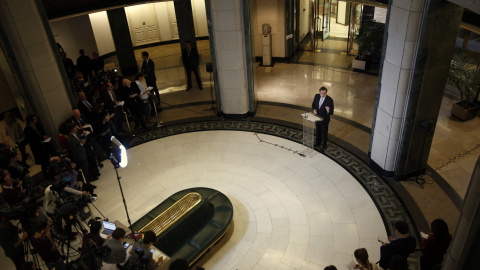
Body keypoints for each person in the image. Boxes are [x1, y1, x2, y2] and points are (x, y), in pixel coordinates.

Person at [311, 86, 334, 152]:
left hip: (324, 120)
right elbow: (313, 105)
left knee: (324, 133)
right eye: (321, 93)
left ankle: (324, 146)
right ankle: (318, 142)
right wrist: (314, 109)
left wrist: (328, 110)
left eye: (324, 93)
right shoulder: (317, 96)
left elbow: (331, 112)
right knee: (318, 131)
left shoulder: (329, 100)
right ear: (319, 92)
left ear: (326, 93)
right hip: (317, 118)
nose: (323, 95)